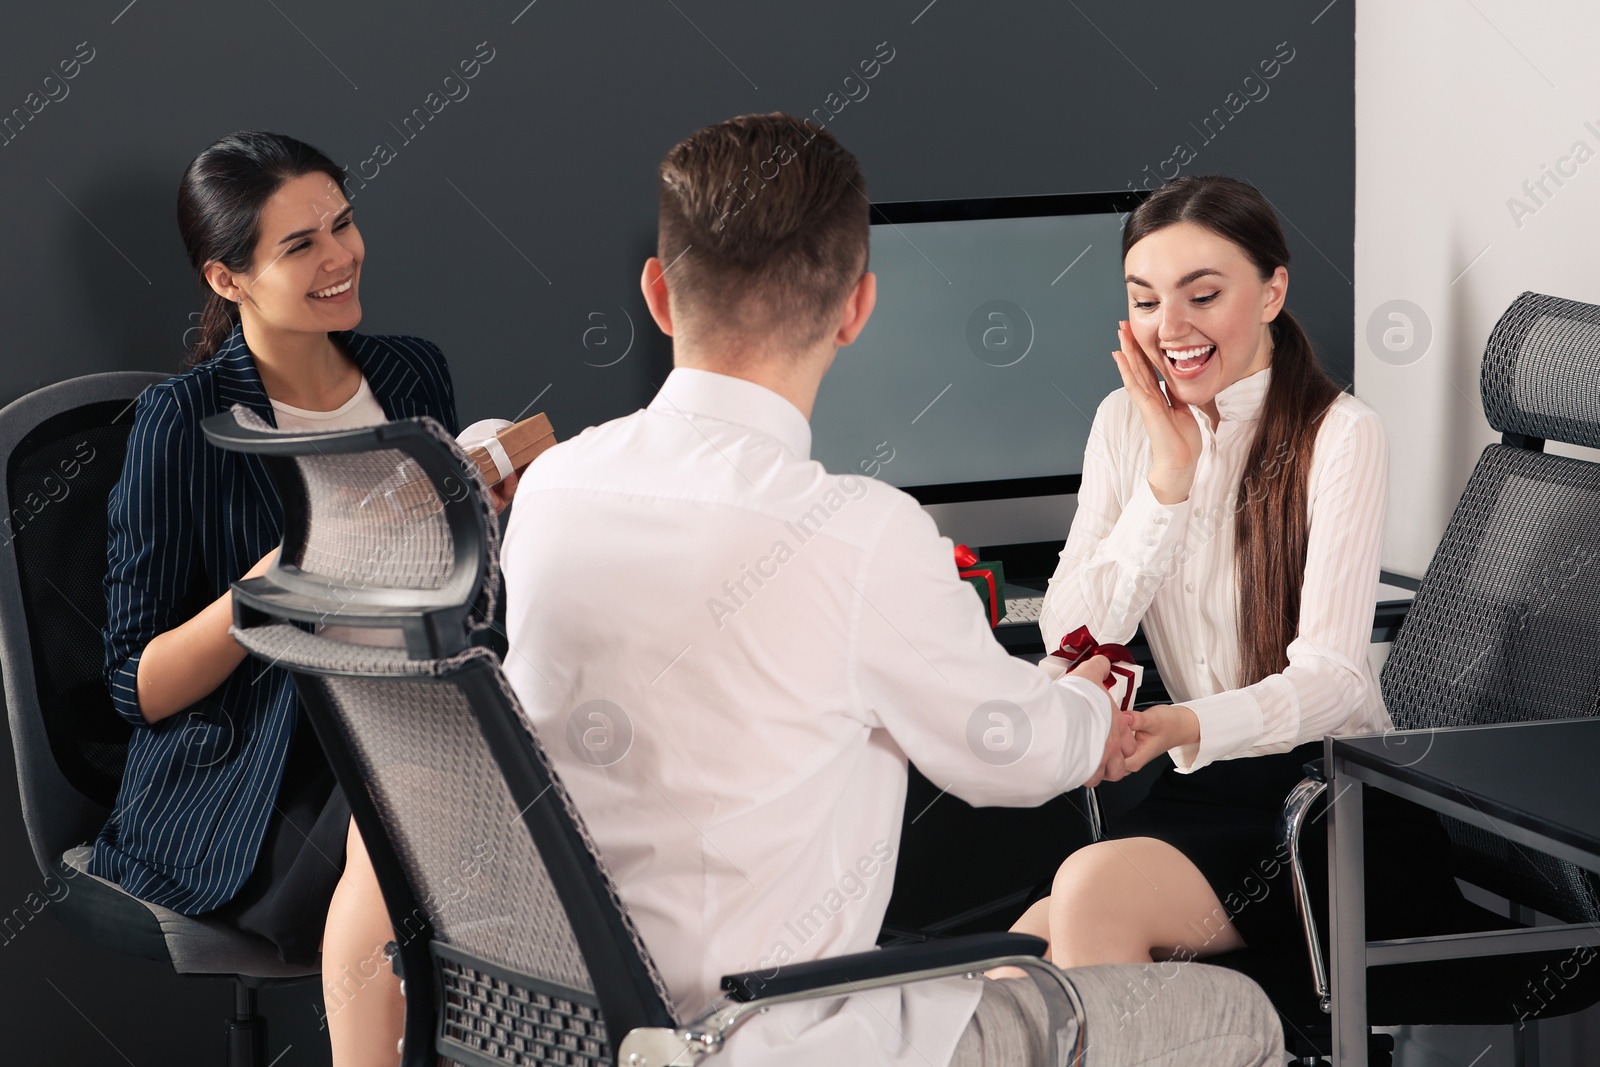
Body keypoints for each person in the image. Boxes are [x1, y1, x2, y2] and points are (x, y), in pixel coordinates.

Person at [499, 114, 1283, 1066]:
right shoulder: (855, 530)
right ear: (857, 308)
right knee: (1236, 1016)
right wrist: (1090, 695)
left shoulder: (553, 486)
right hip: (776, 1033)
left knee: (1011, 959)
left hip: (567, 1025)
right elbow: (1015, 756)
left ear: (659, 294)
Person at [94, 130, 513, 1067]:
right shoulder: (183, 424)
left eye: (344, 223)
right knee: (425, 802)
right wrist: (295, 566)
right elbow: (138, 685)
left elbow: (437, 580)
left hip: (424, 705)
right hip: (262, 776)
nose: (341, 256)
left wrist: (477, 519)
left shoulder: (411, 372)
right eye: (301, 245)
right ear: (227, 278)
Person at [1013, 175, 1464, 971]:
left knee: (1088, 892)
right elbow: (1074, 630)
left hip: (1332, 805)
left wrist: (1179, 726)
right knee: (1014, 965)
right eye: (1145, 300)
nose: (1170, 327)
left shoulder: (1341, 434)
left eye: (1203, 294)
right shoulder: (1125, 423)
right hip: (1207, 790)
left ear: (1271, 291)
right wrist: (1168, 482)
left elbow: (1335, 683)